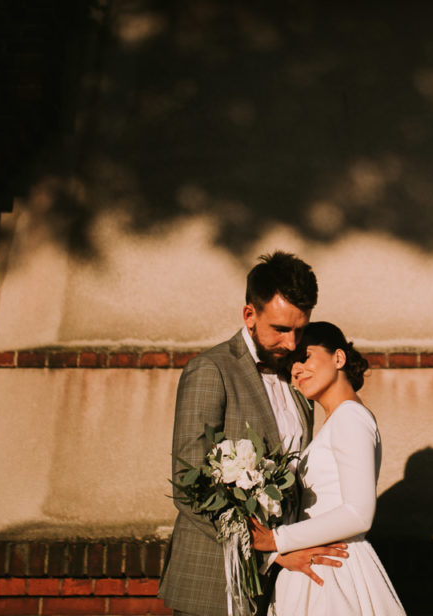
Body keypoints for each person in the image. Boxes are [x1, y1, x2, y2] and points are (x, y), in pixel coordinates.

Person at [159, 252, 349, 616]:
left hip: (285, 584)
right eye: (280, 329)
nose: (292, 344)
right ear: (249, 315)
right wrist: (274, 550)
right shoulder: (211, 370)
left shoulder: (297, 376)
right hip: (215, 581)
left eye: (300, 329)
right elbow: (188, 483)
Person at [250, 322, 406, 616]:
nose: (295, 370)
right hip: (316, 565)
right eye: (290, 367)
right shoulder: (334, 423)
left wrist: (276, 540)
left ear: (338, 358)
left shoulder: (350, 417)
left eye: (304, 357)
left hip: (336, 572)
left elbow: (358, 514)